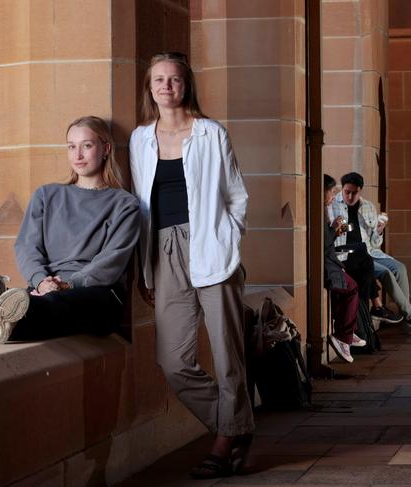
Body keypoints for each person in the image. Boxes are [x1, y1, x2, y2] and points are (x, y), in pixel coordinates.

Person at [129, 52, 254, 479]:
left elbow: (236, 195)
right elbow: (141, 207)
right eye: (159, 80)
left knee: (226, 354)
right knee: (173, 360)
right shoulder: (139, 139)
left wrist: (228, 238)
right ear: (150, 88)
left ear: (187, 85)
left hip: (211, 248)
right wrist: (145, 266)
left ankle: (223, 443)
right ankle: (235, 424)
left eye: (175, 79)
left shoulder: (211, 133)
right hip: (163, 254)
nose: (166, 86)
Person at [0, 116, 140, 344]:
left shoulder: (124, 204)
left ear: (105, 149)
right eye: (71, 146)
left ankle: (0, 304)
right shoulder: (46, 195)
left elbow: (111, 261)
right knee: (42, 303)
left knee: (57, 304)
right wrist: (40, 281)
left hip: (98, 295)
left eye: (87, 145)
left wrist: (68, 284)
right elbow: (27, 247)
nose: (78, 155)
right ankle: (6, 312)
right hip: (44, 290)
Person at [330, 172, 411, 336]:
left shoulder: (367, 207)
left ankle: (404, 318)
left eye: (354, 192)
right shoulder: (332, 205)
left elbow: (374, 243)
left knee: (399, 268)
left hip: (370, 251)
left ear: (360, 191)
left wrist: (379, 230)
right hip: (349, 255)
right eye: (347, 192)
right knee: (385, 273)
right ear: (342, 189)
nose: (350, 196)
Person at [323, 174, 367, 363]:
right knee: (351, 288)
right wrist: (334, 229)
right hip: (326, 264)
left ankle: (348, 332)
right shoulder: (318, 209)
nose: (333, 197)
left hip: (331, 261)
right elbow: (323, 242)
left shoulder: (324, 208)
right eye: (331, 193)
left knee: (361, 269)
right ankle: (343, 336)